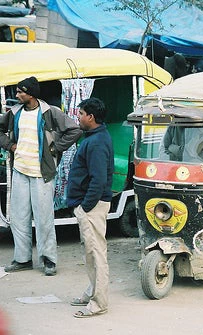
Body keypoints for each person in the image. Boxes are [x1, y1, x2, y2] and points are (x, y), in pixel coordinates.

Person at [0, 76, 82, 276]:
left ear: (31, 93)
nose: (17, 95)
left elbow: (75, 130)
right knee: (19, 218)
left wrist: (55, 148)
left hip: (42, 174)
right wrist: (10, 145)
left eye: (20, 92)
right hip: (20, 171)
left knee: (44, 219)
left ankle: (49, 260)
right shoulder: (14, 113)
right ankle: (22, 259)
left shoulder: (50, 113)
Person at [67, 97, 114, 318]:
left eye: (81, 113)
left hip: (92, 206)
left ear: (91, 117)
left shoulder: (96, 142)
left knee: (96, 253)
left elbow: (98, 180)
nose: (78, 116)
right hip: (89, 205)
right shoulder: (95, 137)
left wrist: (84, 207)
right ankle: (92, 292)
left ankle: (99, 304)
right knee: (91, 253)